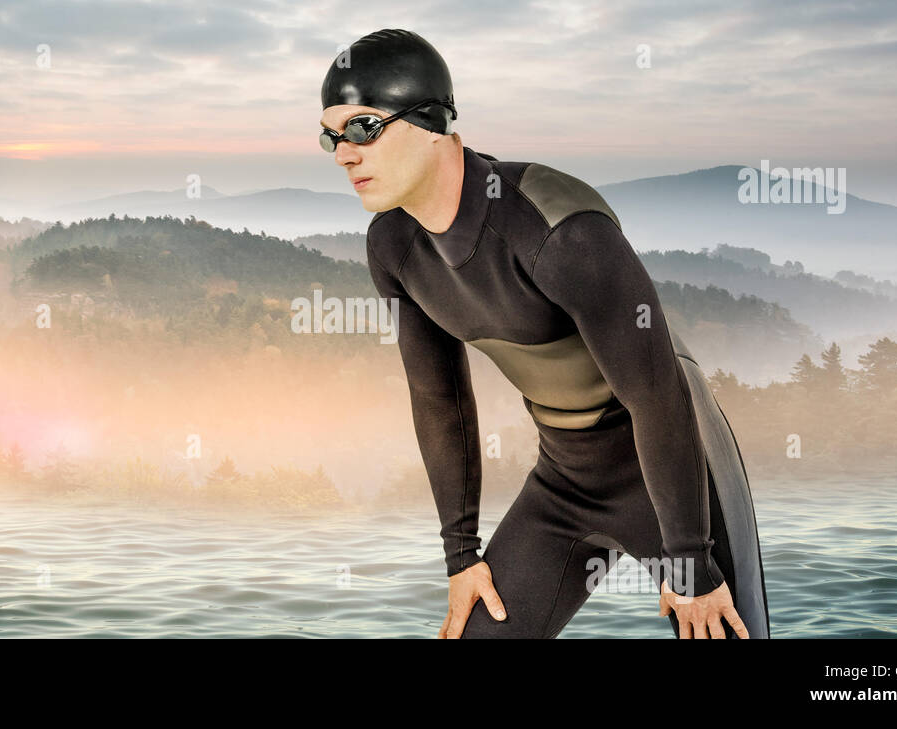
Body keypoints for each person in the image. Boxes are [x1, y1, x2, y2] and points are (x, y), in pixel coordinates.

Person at [320, 29, 771, 639]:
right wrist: (461, 557)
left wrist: (690, 561)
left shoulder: (558, 225)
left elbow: (657, 395)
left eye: (362, 128)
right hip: (563, 483)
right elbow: (439, 400)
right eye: (330, 136)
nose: (343, 153)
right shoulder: (393, 247)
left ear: (432, 121)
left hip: (676, 471)